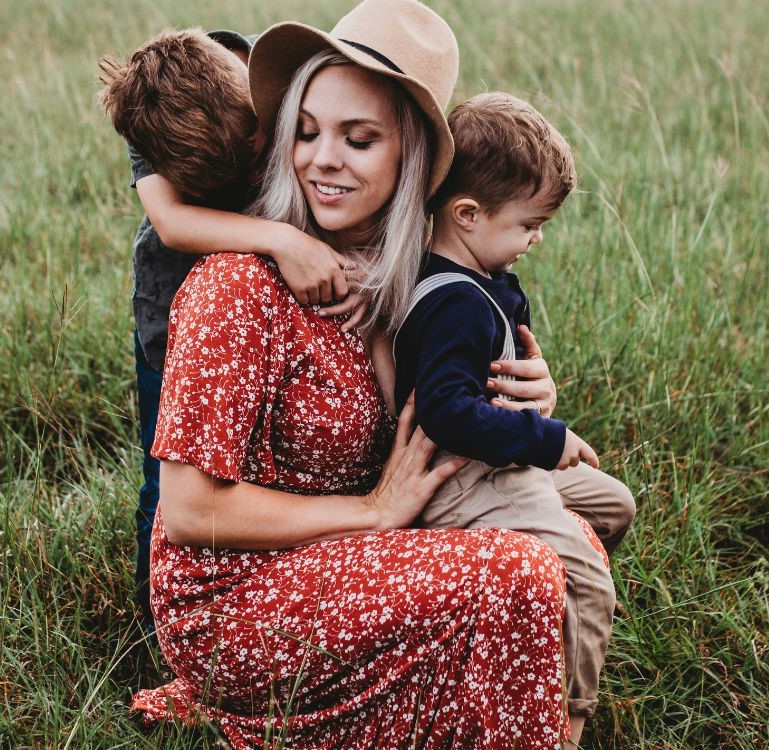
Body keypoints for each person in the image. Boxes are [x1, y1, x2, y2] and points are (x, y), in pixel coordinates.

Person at [129, 1, 583, 746]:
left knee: (571, 538)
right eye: (305, 132)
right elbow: (189, 514)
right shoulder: (236, 285)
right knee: (522, 574)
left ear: (412, 161)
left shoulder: (413, 282)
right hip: (239, 601)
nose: (321, 158)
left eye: (359, 138)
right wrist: (373, 511)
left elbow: (454, 411)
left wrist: (530, 399)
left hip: (342, 561)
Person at [98, 27, 357, 642]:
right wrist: (279, 239)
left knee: (260, 457)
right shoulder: (152, 115)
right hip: (172, 307)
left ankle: (258, 581)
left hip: (264, 306)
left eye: (261, 138)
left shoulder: (245, 73)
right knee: (170, 475)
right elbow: (171, 220)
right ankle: (158, 623)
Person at [393, 92, 635, 746]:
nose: (538, 238)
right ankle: (568, 721)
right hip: (464, 481)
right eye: (529, 224)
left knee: (612, 505)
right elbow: (445, 412)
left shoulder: (483, 276)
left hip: (497, 468)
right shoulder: (453, 306)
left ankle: (538, 635)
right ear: (468, 215)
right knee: (588, 579)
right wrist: (546, 439)